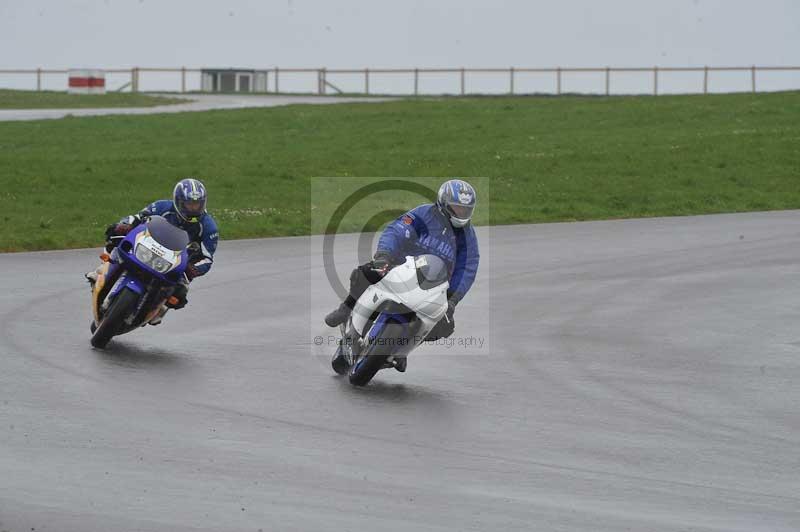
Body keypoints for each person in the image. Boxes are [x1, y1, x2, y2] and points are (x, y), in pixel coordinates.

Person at [325, 179, 480, 371]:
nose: (461, 213)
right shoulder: (423, 214)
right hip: (400, 266)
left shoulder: (468, 237)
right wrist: (384, 255)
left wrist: (453, 299)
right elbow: (397, 230)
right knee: (365, 273)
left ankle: (401, 350)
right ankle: (346, 309)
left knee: (444, 325)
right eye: (457, 208)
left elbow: (468, 268)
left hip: (433, 285)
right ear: (444, 203)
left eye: (466, 210)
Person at [86, 178, 219, 325]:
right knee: (117, 239)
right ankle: (101, 270)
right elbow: (137, 218)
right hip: (148, 248)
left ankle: (159, 309)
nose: (193, 209)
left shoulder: (209, 227)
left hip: (176, 262)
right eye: (189, 204)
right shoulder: (161, 207)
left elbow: (207, 258)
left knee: (180, 293)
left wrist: (193, 269)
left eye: (197, 204)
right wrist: (124, 225)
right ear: (178, 201)